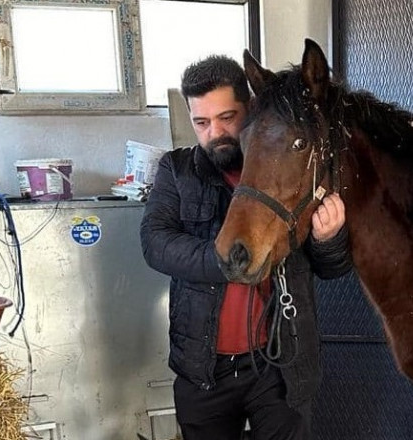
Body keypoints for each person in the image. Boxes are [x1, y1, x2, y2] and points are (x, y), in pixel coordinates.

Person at [140, 55, 351, 440]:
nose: (215, 132)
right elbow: (156, 243)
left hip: (279, 364)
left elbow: (331, 268)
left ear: (251, 108)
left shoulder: (291, 165)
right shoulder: (177, 170)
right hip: (203, 368)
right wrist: (232, 259)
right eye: (201, 123)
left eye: (226, 117)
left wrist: (329, 239)